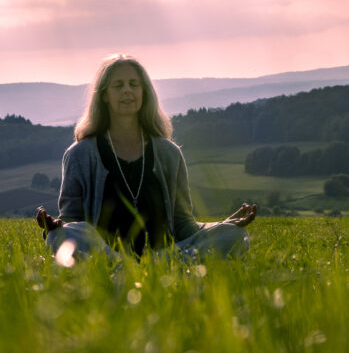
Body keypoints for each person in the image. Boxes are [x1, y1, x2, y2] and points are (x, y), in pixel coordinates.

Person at [36, 54, 256, 261]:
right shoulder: (80, 154)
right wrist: (57, 227)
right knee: (59, 238)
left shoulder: (169, 153)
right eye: (118, 85)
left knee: (236, 236)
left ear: (144, 92)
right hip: (105, 254)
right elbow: (71, 219)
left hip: (166, 254)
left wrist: (222, 225)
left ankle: (152, 266)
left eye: (134, 84)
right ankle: (122, 265)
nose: (127, 91)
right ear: (104, 95)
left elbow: (183, 224)